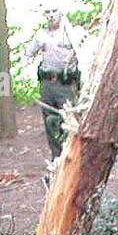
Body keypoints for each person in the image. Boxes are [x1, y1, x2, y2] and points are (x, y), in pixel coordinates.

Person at [25, 8, 82, 163]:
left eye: (54, 11)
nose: (51, 15)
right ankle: (56, 159)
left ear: (61, 12)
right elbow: (28, 54)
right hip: (47, 84)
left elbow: (85, 55)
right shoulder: (41, 35)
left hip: (66, 85)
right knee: (50, 122)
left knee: (69, 121)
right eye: (47, 12)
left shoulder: (73, 33)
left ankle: (71, 158)